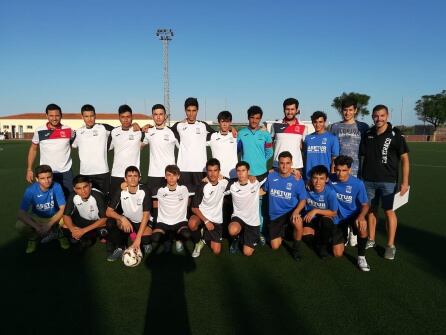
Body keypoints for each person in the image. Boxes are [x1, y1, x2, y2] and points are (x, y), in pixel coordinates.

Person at [359, 104, 410, 260]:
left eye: (382, 115)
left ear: (387, 116)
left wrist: (405, 181)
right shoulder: (367, 133)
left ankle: (390, 245)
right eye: (375, 116)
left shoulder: (395, 134)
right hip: (368, 180)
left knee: (388, 211)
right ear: (372, 117)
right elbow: (362, 156)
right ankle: (371, 239)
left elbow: (405, 159)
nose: (378, 119)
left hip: (388, 181)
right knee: (371, 210)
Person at [329, 98, 369, 247]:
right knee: (340, 200)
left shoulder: (363, 126)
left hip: (356, 170)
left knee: (355, 202)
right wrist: (332, 170)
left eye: (350, 110)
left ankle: (354, 229)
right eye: (345, 110)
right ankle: (343, 229)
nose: (347, 112)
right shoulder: (335, 127)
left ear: (356, 110)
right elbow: (332, 150)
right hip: (339, 171)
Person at [237, 106, 273, 245]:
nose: (254, 120)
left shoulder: (265, 134)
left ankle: (260, 233)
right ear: (248, 118)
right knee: (246, 205)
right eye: (252, 117)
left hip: (261, 174)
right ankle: (244, 232)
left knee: (259, 206)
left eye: (257, 118)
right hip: (245, 175)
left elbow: (269, 152)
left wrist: (260, 162)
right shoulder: (241, 133)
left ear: (260, 119)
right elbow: (237, 150)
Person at [262, 151, 307, 261]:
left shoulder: (297, 179)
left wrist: (296, 211)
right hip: (276, 215)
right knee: (275, 246)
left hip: (291, 212)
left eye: (287, 163)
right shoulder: (272, 176)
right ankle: (284, 231)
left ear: (291, 164)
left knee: (298, 221)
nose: (284, 166)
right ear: (278, 164)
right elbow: (263, 190)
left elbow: (303, 200)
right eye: (282, 163)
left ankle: (296, 249)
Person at [16, 165, 69, 253]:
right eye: (42, 178)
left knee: (67, 218)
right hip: (37, 218)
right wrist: (37, 227)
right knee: (19, 225)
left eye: (49, 177)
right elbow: (21, 213)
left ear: (52, 176)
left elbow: (63, 208)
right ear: (37, 179)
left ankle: (59, 234)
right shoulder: (30, 190)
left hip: (54, 217)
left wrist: (49, 225)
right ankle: (33, 238)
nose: (47, 181)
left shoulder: (56, 186)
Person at [330, 156, 370, 271]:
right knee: (337, 253)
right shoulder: (330, 179)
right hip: (337, 217)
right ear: (334, 168)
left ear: (349, 170)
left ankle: (361, 257)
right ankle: (346, 232)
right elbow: (315, 178)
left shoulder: (358, 184)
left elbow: (365, 204)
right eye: (337, 170)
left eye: (344, 171)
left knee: (362, 227)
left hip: (354, 215)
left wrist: (361, 216)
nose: (340, 174)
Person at [26, 103, 74, 197]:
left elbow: (72, 144)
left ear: (61, 116)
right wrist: (29, 169)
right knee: (49, 201)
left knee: (68, 200)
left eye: (57, 115)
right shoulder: (39, 131)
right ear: (46, 116)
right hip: (47, 174)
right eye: (51, 116)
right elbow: (33, 149)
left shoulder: (69, 130)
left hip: (66, 173)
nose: (54, 118)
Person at [106, 166, 152, 262]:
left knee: (145, 240)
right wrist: (122, 218)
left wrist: (138, 239)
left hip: (143, 221)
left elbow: (146, 216)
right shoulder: (120, 191)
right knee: (111, 222)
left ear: (139, 178)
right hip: (128, 220)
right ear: (125, 179)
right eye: (129, 176)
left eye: (135, 176)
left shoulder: (145, 190)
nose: (132, 178)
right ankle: (121, 247)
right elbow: (108, 211)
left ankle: (140, 239)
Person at [142, 104, 178, 220]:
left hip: (169, 175)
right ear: (152, 116)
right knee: (155, 201)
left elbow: (184, 149)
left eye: (161, 114)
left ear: (165, 116)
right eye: (155, 114)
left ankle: (172, 225)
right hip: (154, 174)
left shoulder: (173, 132)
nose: (158, 117)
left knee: (170, 201)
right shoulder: (148, 132)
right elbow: (140, 145)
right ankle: (156, 224)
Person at [170, 97, 215, 191]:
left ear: (197, 110)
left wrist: (232, 129)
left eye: (194, 110)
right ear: (185, 110)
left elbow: (219, 134)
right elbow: (163, 130)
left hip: (200, 169)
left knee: (200, 197)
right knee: (185, 198)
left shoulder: (203, 125)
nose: (191, 113)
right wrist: (148, 126)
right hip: (183, 169)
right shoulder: (178, 125)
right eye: (188, 110)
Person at [188, 158, 229, 257]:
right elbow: (194, 208)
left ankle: (204, 238)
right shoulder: (202, 185)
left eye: (215, 170)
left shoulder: (225, 183)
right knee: (192, 223)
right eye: (210, 171)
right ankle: (198, 242)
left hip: (216, 219)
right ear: (207, 171)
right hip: (202, 216)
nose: (212, 174)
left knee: (216, 251)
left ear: (219, 171)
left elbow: (237, 182)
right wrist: (206, 221)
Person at [71, 104, 114, 195]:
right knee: (87, 201)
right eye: (86, 116)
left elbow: (121, 130)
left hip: (102, 172)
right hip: (85, 173)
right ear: (82, 117)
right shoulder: (78, 132)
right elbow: (72, 145)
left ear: (95, 116)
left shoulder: (104, 128)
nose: (89, 119)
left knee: (104, 200)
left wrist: (135, 125)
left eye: (91, 116)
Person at [227, 161, 265, 256]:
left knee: (247, 253)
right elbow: (219, 182)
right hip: (238, 217)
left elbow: (271, 172)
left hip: (252, 221)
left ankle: (252, 236)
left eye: (243, 170)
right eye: (238, 171)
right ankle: (236, 239)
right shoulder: (231, 184)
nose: (240, 173)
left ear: (248, 171)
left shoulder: (256, 181)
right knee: (232, 230)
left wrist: (294, 171)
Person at [150, 165, 192, 252]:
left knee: (186, 234)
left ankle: (178, 240)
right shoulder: (158, 190)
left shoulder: (185, 189)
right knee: (155, 237)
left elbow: (201, 187)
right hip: (163, 222)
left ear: (178, 176)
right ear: (165, 176)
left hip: (180, 221)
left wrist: (207, 180)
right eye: (169, 175)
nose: (171, 178)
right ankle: (167, 240)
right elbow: (143, 189)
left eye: (174, 175)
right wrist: (126, 184)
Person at [301, 165, 340, 259]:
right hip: (312, 217)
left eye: (321, 178)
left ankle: (323, 247)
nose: (318, 182)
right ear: (311, 179)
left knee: (338, 253)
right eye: (315, 178)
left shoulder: (330, 192)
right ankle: (319, 241)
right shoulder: (306, 187)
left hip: (326, 218)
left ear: (326, 179)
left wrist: (316, 210)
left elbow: (334, 212)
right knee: (304, 234)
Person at [62, 175, 108, 252]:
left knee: (106, 230)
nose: (83, 191)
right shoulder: (73, 195)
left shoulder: (97, 195)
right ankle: (85, 237)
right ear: (74, 189)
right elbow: (66, 215)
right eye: (79, 188)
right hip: (83, 220)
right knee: (65, 226)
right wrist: (72, 229)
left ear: (90, 185)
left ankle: (94, 236)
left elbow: (104, 219)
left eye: (85, 187)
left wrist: (83, 231)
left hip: (98, 222)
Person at [109, 105, 144, 197]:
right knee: (114, 204)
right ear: (119, 118)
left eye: (128, 117)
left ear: (132, 117)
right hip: (116, 175)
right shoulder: (113, 132)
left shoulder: (139, 132)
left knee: (132, 205)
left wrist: (148, 125)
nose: (125, 119)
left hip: (133, 175)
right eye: (123, 117)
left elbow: (152, 128)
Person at [270, 98, 307, 178]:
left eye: (292, 109)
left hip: (296, 166)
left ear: (297, 110)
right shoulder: (275, 125)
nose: (290, 112)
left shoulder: (303, 126)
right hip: (278, 165)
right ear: (283, 110)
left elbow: (304, 148)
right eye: (287, 109)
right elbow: (268, 144)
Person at [303, 111, 340, 180]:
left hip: (324, 177)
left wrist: (332, 175)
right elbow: (304, 158)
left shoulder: (332, 138)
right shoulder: (307, 138)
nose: (317, 124)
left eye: (320, 122)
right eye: (315, 122)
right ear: (312, 123)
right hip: (309, 177)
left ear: (324, 122)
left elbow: (334, 159)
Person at [208, 111, 238, 179]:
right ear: (219, 123)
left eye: (227, 122)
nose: (224, 124)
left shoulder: (235, 136)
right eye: (222, 121)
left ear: (230, 123)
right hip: (218, 176)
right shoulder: (213, 136)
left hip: (233, 176)